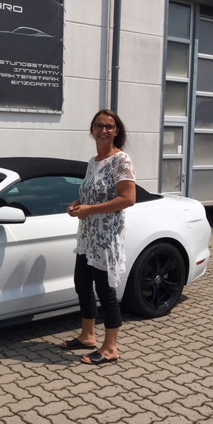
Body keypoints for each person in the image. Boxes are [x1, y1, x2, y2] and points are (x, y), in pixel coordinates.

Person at [62, 109, 136, 365]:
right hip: (88, 235)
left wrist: (91, 210)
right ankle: (88, 336)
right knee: (82, 284)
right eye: (99, 126)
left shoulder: (121, 160)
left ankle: (111, 347)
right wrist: (78, 205)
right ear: (92, 130)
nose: (103, 130)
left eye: (109, 126)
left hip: (106, 237)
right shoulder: (93, 161)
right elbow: (93, 194)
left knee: (105, 290)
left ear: (116, 131)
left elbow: (128, 198)